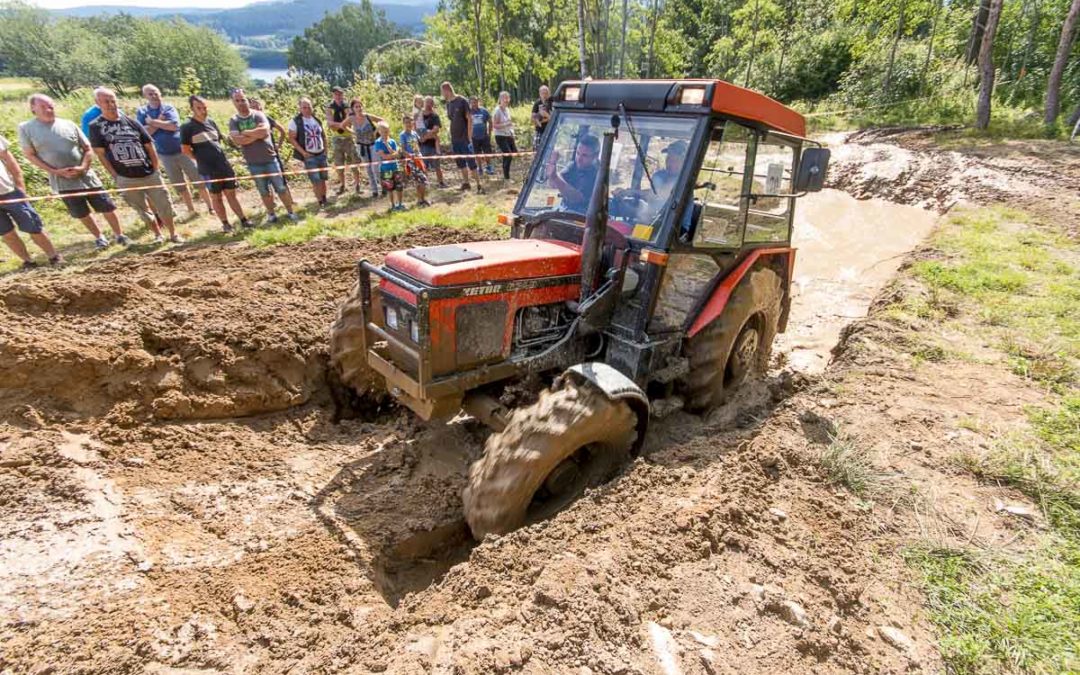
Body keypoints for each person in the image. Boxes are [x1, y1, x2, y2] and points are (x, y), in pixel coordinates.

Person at [18, 93, 128, 249]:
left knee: (106, 205)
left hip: (86, 176)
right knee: (81, 212)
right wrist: (55, 171)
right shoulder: (26, 128)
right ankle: (99, 237)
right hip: (62, 180)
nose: (48, 109)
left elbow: (88, 148)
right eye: (43, 107)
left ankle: (120, 235)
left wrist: (83, 167)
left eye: (50, 106)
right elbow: (29, 155)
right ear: (33, 108)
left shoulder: (68, 124)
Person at [88, 87, 180, 244]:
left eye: (113, 101)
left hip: (149, 172)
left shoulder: (132, 122)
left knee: (164, 203)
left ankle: (173, 234)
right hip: (126, 177)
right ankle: (158, 235)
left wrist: (155, 167)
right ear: (98, 103)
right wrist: (115, 176)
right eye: (106, 101)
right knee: (142, 209)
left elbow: (149, 146)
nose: (111, 104)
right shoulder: (96, 126)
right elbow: (101, 154)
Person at [180, 95, 251, 232]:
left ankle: (243, 220)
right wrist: (200, 160)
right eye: (199, 108)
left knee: (231, 194)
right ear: (192, 109)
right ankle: (225, 224)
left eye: (204, 107)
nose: (202, 110)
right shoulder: (187, 127)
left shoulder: (211, 122)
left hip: (223, 164)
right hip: (208, 169)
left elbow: (218, 141)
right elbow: (185, 149)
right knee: (216, 196)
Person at [137, 84, 210, 218]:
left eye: (155, 92)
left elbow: (173, 126)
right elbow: (143, 133)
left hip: (182, 150)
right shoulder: (142, 112)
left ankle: (210, 207)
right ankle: (191, 210)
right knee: (179, 185)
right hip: (163, 154)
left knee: (198, 179)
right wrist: (160, 122)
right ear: (145, 96)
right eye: (149, 94)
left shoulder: (168, 108)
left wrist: (152, 122)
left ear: (160, 93)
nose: (153, 96)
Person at [229, 89, 298, 224]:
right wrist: (255, 135)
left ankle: (290, 212)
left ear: (247, 100)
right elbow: (237, 140)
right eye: (237, 100)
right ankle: (271, 214)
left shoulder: (258, 114)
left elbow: (265, 132)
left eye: (243, 99)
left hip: (270, 159)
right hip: (253, 162)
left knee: (281, 188)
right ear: (233, 102)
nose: (241, 103)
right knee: (264, 191)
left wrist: (246, 133)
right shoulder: (234, 120)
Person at [0, 134, 61, 268]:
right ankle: (28, 262)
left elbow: (10, 161)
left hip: (10, 193)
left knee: (33, 227)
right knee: (6, 233)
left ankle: (54, 257)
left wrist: (20, 187)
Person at [441, 81, 482, 193]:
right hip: (455, 138)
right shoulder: (448, 104)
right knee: (460, 162)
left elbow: (469, 119)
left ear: (447, 90)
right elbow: (452, 119)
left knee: (471, 162)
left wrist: (469, 137)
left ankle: (479, 185)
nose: (442, 94)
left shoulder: (462, 101)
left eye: (442, 92)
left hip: (464, 138)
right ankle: (466, 183)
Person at [288, 97, 329, 208]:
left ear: (312, 107)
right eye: (304, 107)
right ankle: (320, 201)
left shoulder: (316, 119)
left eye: (309, 107)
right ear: (300, 108)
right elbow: (291, 138)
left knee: (323, 179)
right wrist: (303, 153)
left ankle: (325, 198)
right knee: (315, 180)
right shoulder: (295, 121)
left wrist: (326, 150)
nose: (307, 109)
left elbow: (323, 136)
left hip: (321, 153)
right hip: (309, 156)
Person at [544, 134, 600, 213]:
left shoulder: (597, 174)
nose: (579, 159)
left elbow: (577, 198)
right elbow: (553, 184)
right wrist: (552, 164)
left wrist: (555, 177)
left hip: (583, 218)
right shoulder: (574, 165)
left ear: (595, 156)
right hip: (565, 212)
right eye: (578, 153)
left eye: (585, 155)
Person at [345, 98, 383, 199]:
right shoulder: (351, 118)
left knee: (376, 168)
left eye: (360, 106)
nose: (359, 108)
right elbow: (342, 126)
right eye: (356, 107)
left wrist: (376, 131)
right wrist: (353, 133)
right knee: (368, 168)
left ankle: (384, 187)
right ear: (353, 108)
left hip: (373, 144)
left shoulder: (368, 116)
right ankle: (374, 191)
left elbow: (381, 120)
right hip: (361, 146)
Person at [326, 87, 360, 196]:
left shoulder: (348, 107)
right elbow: (330, 124)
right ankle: (342, 185)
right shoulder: (329, 107)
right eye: (336, 94)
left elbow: (349, 122)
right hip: (337, 138)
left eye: (340, 94)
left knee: (355, 162)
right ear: (333, 95)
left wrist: (340, 124)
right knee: (339, 164)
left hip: (349, 137)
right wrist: (342, 124)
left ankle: (357, 185)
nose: (338, 96)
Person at [399, 113, 430, 208]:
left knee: (424, 179)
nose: (409, 124)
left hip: (419, 158)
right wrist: (409, 155)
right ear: (403, 124)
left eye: (410, 122)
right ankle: (420, 200)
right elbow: (402, 149)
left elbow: (420, 142)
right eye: (406, 122)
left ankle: (423, 198)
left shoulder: (414, 133)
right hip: (411, 160)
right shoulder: (402, 135)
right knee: (418, 180)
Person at [249, 97, 288, 171]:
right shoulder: (248, 122)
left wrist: (278, 145)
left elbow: (282, 130)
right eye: (253, 107)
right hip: (257, 158)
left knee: (280, 179)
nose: (256, 108)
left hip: (272, 155)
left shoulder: (267, 118)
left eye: (257, 106)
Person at [373, 120, 404, 212]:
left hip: (396, 167)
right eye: (383, 131)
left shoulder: (392, 141)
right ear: (379, 131)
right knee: (390, 189)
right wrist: (393, 155)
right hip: (386, 169)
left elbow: (397, 154)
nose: (385, 133)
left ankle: (400, 204)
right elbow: (384, 157)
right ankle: (393, 205)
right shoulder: (378, 142)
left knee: (399, 187)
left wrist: (387, 145)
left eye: (387, 131)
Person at [419, 96, 447, 188]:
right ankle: (425, 184)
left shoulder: (435, 116)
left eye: (431, 102)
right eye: (427, 102)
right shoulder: (419, 115)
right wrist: (425, 136)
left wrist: (426, 137)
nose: (429, 104)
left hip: (433, 145)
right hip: (421, 146)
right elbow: (416, 129)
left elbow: (436, 129)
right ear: (424, 103)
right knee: (423, 167)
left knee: (437, 166)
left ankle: (441, 183)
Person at [492, 91, 517, 181]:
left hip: (508, 135)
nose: (506, 100)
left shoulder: (507, 109)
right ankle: (506, 178)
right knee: (508, 155)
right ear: (500, 99)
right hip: (500, 136)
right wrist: (505, 125)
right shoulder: (497, 110)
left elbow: (509, 123)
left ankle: (505, 173)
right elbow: (494, 125)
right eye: (504, 98)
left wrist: (512, 133)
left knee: (514, 152)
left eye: (507, 98)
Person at [469, 95, 494, 176]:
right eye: (472, 103)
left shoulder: (483, 111)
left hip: (484, 136)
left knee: (487, 152)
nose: (474, 104)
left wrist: (489, 133)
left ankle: (489, 166)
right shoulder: (468, 112)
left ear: (478, 102)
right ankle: (479, 168)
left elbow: (490, 121)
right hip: (474, 137)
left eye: (475, 102)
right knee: (477, 153)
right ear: (470, 103)